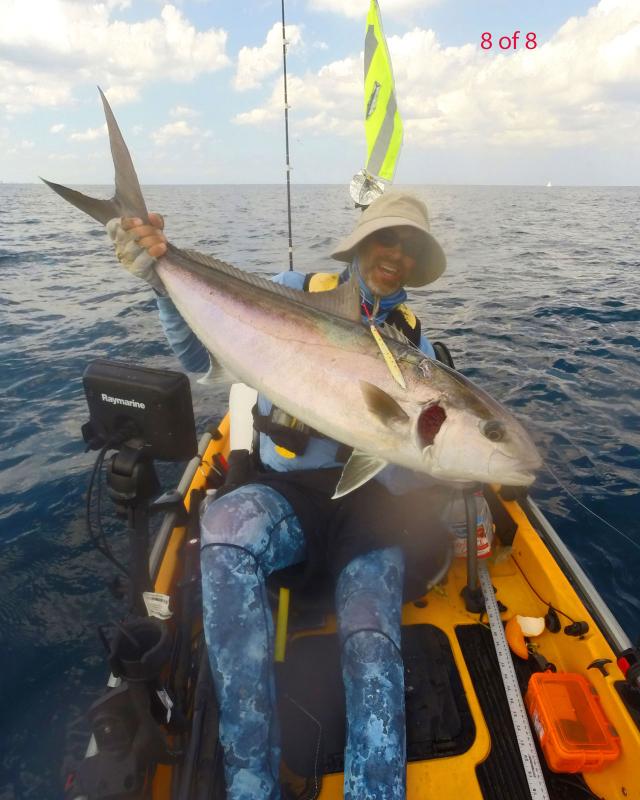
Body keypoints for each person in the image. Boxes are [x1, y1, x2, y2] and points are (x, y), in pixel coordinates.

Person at [109, 192, 451, 800]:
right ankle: (250, 782)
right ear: (361, 245)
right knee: (224, 530)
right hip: (288, 494)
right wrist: (161, 281)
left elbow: (420, 461)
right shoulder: (292, 291)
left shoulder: (416, 350)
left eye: (409, 247)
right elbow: (197, 357)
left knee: (373, 644)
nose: (394, 255)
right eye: (384, 239)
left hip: (370, 515)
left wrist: (442, 467)